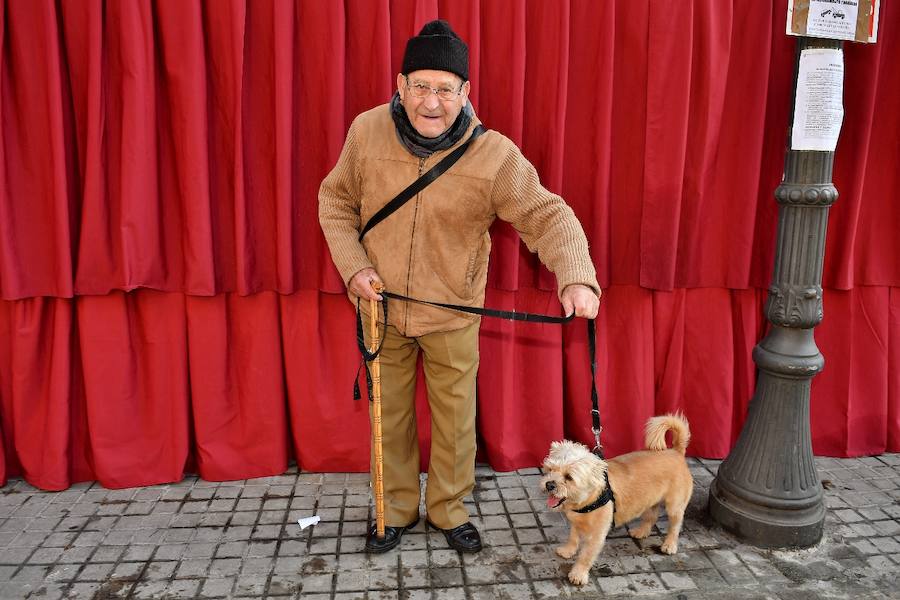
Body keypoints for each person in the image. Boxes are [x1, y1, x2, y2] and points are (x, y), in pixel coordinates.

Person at [318, 20, 600, 554]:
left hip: (453, 312)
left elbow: (548, 215)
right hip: (381, 309)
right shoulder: (366, 130)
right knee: (389, 418)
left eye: (445, 89)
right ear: (400, 85)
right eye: (421, 86)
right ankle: (394, 509)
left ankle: (449, 511)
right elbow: (334, 202)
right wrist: (354, 267)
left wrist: (576, 276)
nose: (432, 101)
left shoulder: (493, 155)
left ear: (465, 93)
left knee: (454, 425)